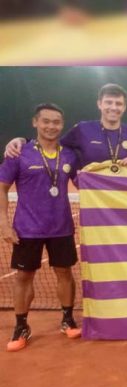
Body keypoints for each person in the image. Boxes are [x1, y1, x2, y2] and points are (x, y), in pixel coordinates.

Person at [0, 104, 80, 352]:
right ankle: (21, 326)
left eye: (56, 122)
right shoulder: (18, 153)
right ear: (35, 122)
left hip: (62, 227)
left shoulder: (69, 155)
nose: (51, 126)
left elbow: (86, 183)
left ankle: (67, 319)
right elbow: (2, 188)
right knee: (24, 276)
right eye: (46, 121)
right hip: (27, 229)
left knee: (64, 272)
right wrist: (3, 223)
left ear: (62, 125)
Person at [4, 83, 127, 169]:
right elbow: (52, 145)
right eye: (108, 102)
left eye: (118, 103)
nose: (113, 107)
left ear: (124, 107)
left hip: (124, 198)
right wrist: (24, 140)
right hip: (94, 199)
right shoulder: (83, 129)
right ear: (99, 104)